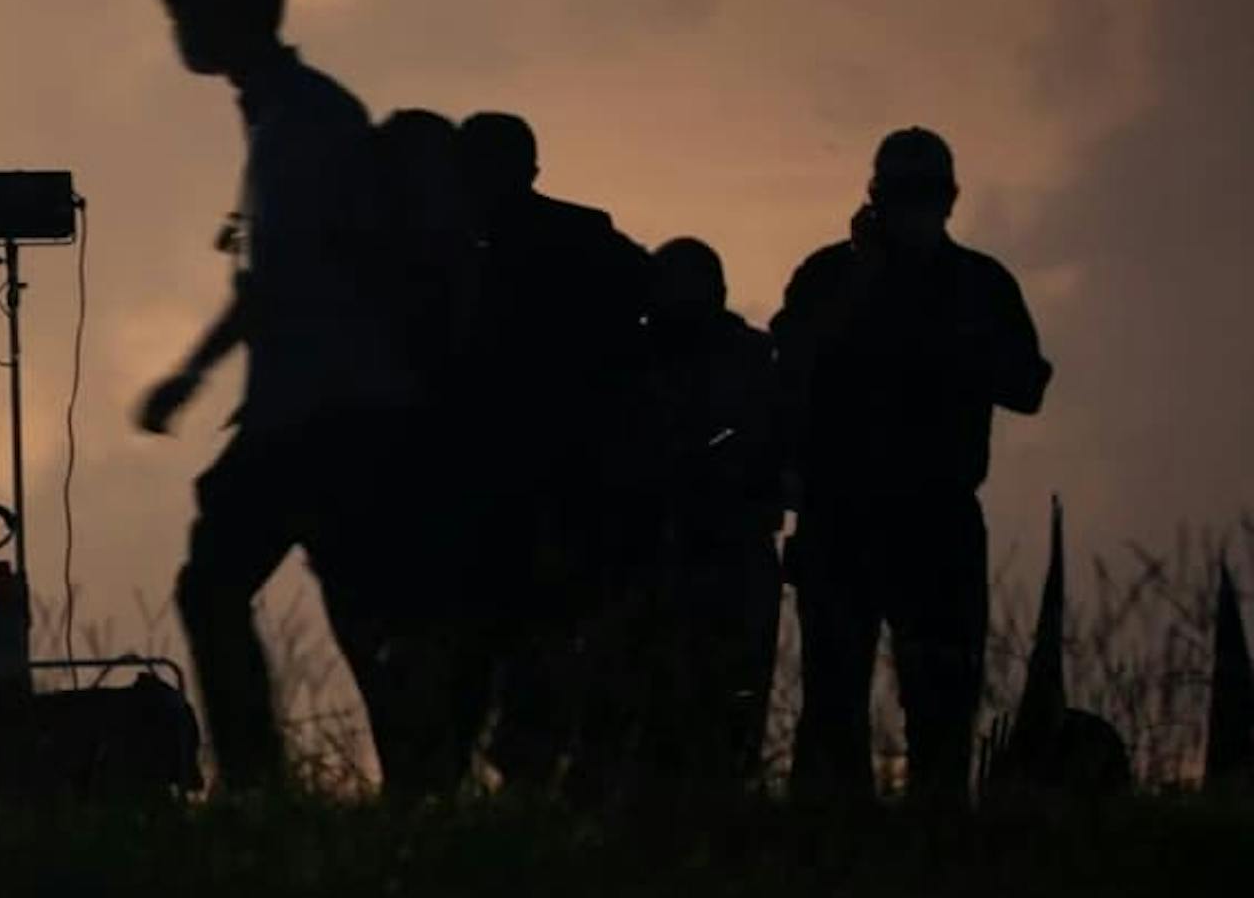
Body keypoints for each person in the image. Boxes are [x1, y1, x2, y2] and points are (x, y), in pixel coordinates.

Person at [134, 0, 434, 804]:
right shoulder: (294, 113)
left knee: (222, 584)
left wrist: (188, 375)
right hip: (331, 408)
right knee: (358, 608)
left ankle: (260, 784)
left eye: (184, 11)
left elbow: (282, 282)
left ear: (228, 12)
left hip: (322, 410)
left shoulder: (301, 124)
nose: (177, 31)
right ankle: (413, 785)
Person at [771, 128, 1050, 817]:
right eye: (902, 193)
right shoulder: (832, 276)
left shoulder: (978, 284)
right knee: (834, 697)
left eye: (924, 194)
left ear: (950, 199)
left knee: (942, 697)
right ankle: (828, 843)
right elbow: (789, 361)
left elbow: (1025, 385)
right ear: (875, 198)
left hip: (936, 514)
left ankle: (937, 838)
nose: (914, 207)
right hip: (843, 515)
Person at [444, 110, 651, 803]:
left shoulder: (490, 250)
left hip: (547, 484)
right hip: (537, 484)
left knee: (533, 644)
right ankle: (542, 776)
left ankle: (535, 777)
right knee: (538, 645)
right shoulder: (573, 237)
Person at [595, 237, 782, 812]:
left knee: (728, 703)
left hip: (726, 548)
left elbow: (773, 443)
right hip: (656, 549)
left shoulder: (751, 358)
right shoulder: (632, 358)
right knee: (653, 705)